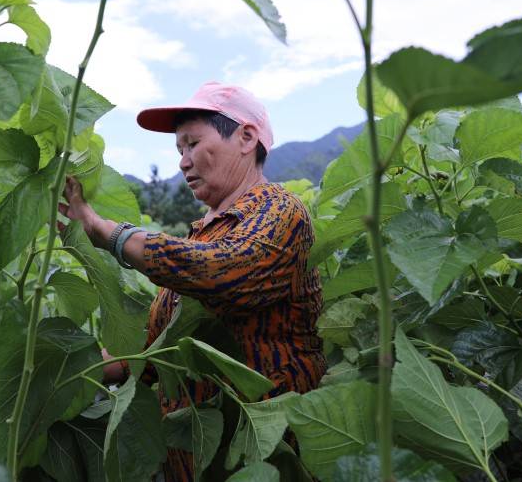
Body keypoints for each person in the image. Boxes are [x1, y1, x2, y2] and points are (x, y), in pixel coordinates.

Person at [58, 81, 326, 481]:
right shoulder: (201, 235)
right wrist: (65, 370)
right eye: (179, 150)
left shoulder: (280, 211)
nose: (183, 161)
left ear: (246, 137)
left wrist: (110, 233)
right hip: (195, 465)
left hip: (264, 459)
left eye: (193, 143)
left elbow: (225, 273)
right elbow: (157, 358)